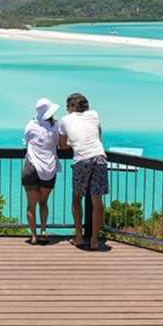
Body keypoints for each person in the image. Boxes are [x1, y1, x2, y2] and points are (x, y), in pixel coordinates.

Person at [58, 92, 108, 250]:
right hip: (99, 157)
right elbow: (98, 136)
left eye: (68, 105)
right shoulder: (94, 114)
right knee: (97, 201)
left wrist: (72, 143)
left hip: (82, 159)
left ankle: (79, 237)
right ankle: (94, 240)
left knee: (76, 199)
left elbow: (62, 145)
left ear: (73, 105)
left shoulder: (65, 120)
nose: (67, 109)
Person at [22, 97, 60, 244]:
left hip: (31, 167)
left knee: (30, 205)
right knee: (43, 203)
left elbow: (25, 141)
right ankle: (44, 230)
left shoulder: (31, 125)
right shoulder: (56, 126)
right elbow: (61, 143)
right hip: (49, 169)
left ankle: (33, 235)